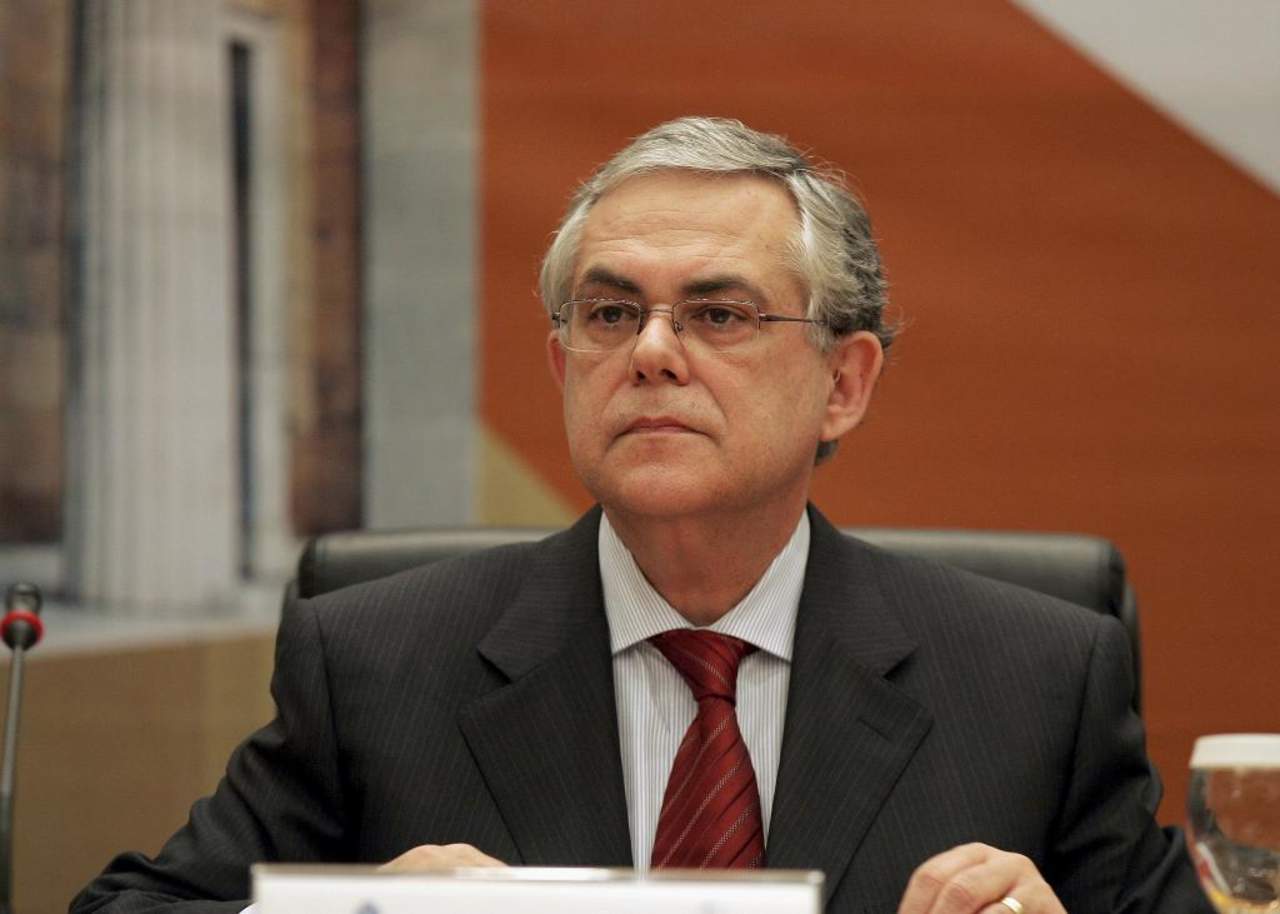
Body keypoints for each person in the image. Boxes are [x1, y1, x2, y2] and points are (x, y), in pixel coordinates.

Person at [72, 117, 1211, 914]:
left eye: (718, 314)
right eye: (611, 313)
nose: (652, 353)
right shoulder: (375, 660)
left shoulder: (1037, 680)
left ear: (844, 382)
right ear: (563, 363)